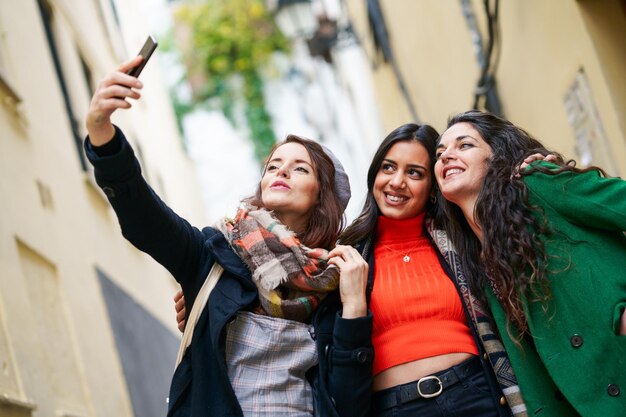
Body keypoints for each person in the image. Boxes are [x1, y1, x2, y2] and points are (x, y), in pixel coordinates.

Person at [85, 56, 372, 417]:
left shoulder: (336, 284)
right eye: (273, 166)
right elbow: (145, 217)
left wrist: (355, 310)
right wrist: (102, 134)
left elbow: (349, 402)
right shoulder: (214, 256)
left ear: (321, 196)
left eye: (300, 168)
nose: (281, 170)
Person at [434, 110, 626, 416]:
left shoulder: (536, 186)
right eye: (440, 152)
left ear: (497, 155)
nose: (446, 157)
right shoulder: (473, 261)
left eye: (464, 145)